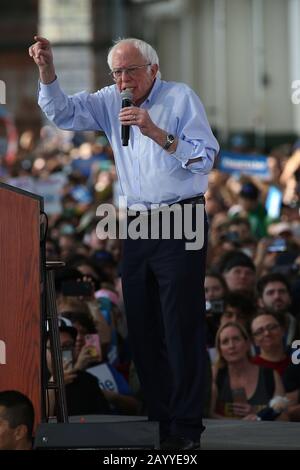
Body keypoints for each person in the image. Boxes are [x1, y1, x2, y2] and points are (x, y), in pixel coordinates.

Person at [29, 35, 219, 450]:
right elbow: (62, 113)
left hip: (180, 217)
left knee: (179, 325)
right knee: (142, 325)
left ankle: (187, 428)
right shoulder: (108, 100)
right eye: (116, 72)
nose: (123, 80)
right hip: (135, 223)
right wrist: (47, 71)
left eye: (131, 70)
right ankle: (160, 421)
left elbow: (206, 157)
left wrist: (156, 132)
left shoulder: (181, 98)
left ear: (153, 69)